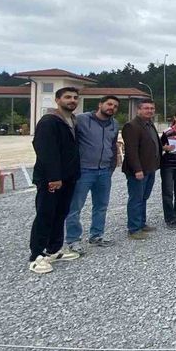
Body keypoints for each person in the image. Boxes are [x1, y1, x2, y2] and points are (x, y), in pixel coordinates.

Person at [28, 87, 82, 274]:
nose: (72, 100)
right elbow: (45, 150)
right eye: (67, 97)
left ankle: (54, 249)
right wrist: (54, 177)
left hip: (68, 178)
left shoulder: (72, 121)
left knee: (60, 214)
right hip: (51, 179)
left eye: (75, 98)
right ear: (57, 100)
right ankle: (36, 256)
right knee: (45, 214)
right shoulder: (49, 122)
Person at [64, 95, 119, 254]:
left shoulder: (114, 124)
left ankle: (97, 235)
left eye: (115, 106)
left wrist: (111, 166)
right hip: (84, 171)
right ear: (100, 104)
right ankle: (73, 240)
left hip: (104, 171)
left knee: (101, 206)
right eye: (109, 104)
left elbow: (113, 146)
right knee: (75, 207)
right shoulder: (81, 120)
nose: (112, 108)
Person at [122, 98, 161, 240]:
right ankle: (133, 229)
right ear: (138, 110)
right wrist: (137, 169)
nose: (150, 111)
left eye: (152, 108)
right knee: (136, 199)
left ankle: (141, 223)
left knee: (144, 197)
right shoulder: (132, 126)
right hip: (139, 171)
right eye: (146, 108)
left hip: (150, 168)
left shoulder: (149, 124)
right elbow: (131, 151)